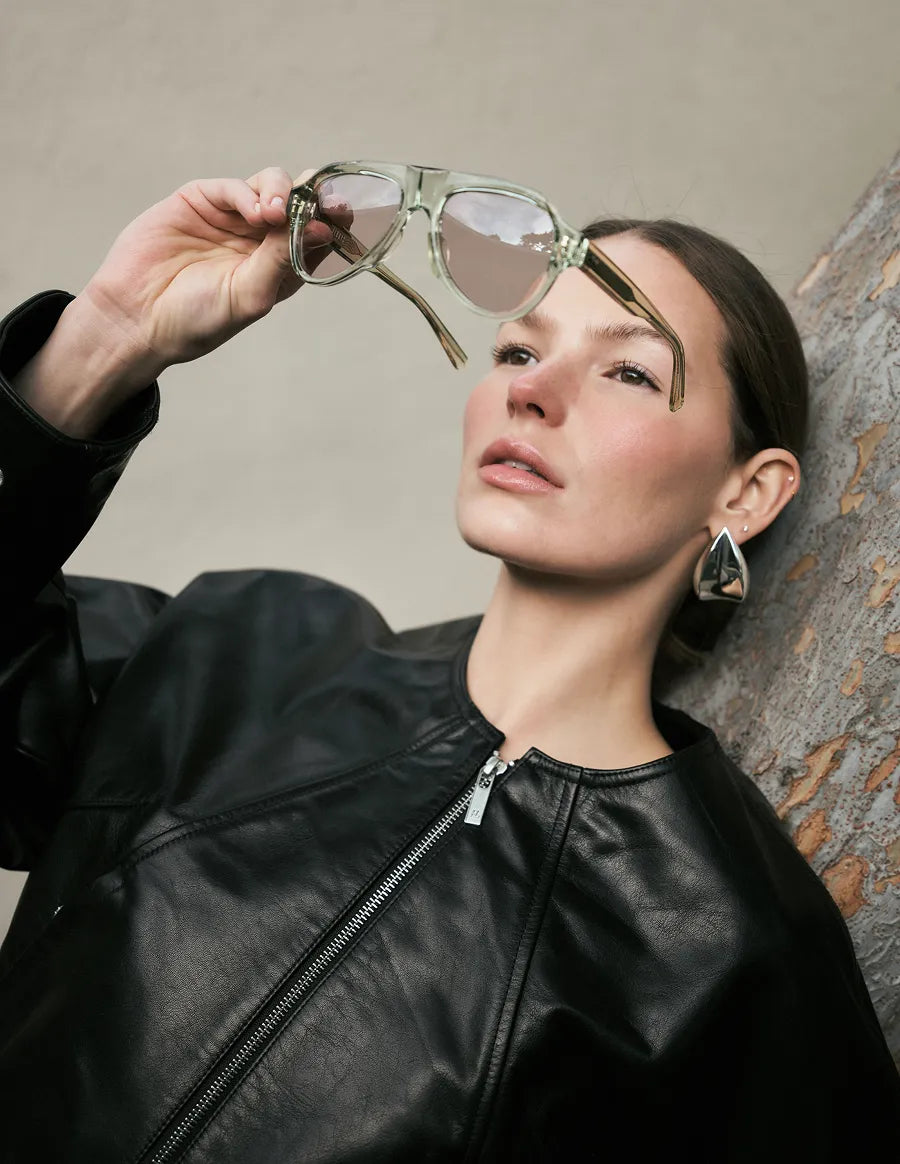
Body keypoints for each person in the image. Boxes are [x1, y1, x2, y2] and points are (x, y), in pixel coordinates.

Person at [0, 164, 897, 1163]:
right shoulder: (238, 651)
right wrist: (104, 343)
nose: (531, 389)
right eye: (519, 347)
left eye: (629, 371)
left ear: (747, 494)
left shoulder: (731, 951)